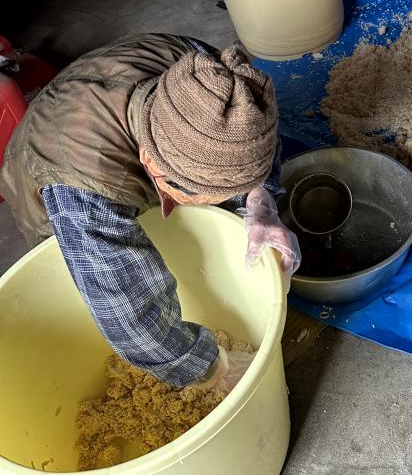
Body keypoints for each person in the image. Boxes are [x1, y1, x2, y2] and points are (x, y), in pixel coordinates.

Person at [0, 34, 300, 394]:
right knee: (91, 271)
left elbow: (255, 138)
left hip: (101, 91)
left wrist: (259, 203)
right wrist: (211, 368)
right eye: (203, 197)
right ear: (151, 165)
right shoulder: (84, 197)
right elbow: (129, 318)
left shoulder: (215, 78)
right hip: (45, 161)